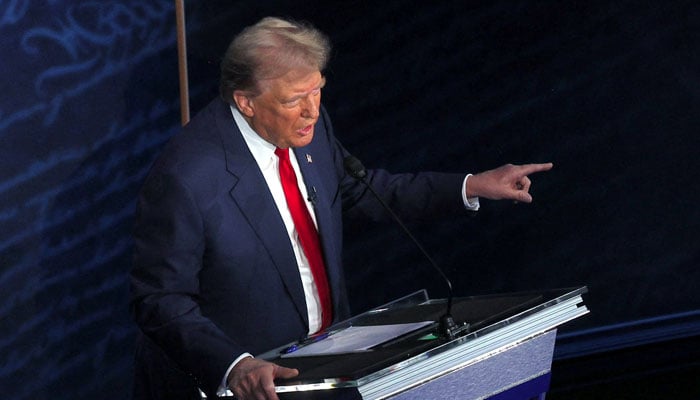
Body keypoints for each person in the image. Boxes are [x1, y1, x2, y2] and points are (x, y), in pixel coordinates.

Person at [129, 16, 553, 400]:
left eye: (318, 91)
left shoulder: (308, 128)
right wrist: (234, 365)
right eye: (296, 98)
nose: (312, 110)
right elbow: (161, 299)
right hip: (254, 386)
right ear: (246, 102)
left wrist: (470, 186)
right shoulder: (187, 175)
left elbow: (360, 191)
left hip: (328, 374)